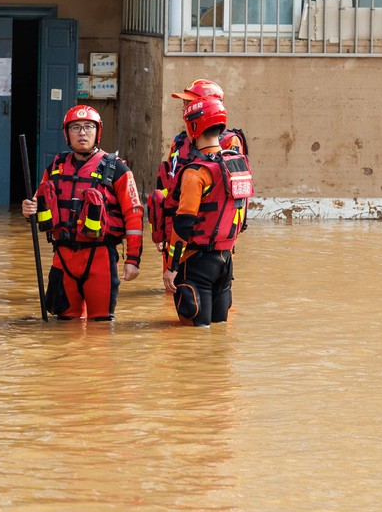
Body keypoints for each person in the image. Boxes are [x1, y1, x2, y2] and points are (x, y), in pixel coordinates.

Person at [19, 105, 143, 321]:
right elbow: (39, 204)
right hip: (63, 257)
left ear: (97, 132)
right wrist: (28, 209)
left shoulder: (118, 170)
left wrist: (132, 260)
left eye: (88, 127)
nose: (82, 133)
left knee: (101, 326)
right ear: (67, 134)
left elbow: (133, 216)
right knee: (65, 325)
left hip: (100, 257)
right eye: (75, 127)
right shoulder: (55, 167)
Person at [165, 95, 252, 328]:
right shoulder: (238, 165)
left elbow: (183, 223)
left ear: (193, 126)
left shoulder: (195, 173)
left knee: (195, 334)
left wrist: (171, 267)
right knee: (219, 331)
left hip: (196, 262)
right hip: (225, 260)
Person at [148, 78, 252, 272]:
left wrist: (229, 236)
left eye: (188, 103)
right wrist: (160, 229)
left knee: (205, 293)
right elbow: (169, 185)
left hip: (210, 234)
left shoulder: (230, 143)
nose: (184, 109)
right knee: (174, 293)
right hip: (177, 228)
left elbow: (237, 194)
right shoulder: (179, 141)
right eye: (184, 104)